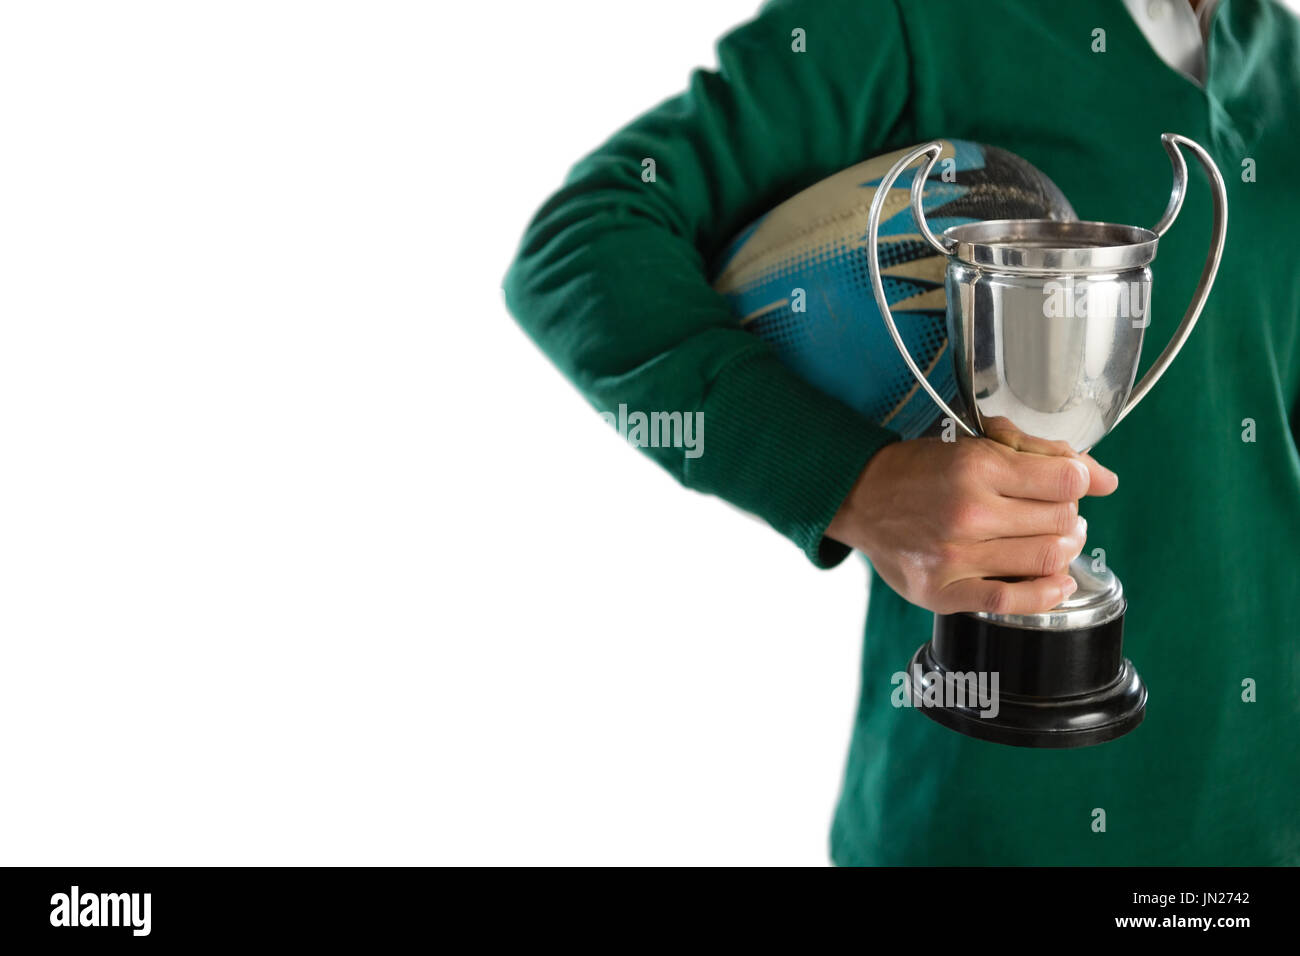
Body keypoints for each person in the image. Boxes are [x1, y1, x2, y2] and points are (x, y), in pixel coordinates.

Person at [503, 0, 1300, 864]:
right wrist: (849, 480)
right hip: (985, 818)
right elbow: (582, 243)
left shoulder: (1285, 60)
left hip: (1263, 815)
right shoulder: (911, 17)